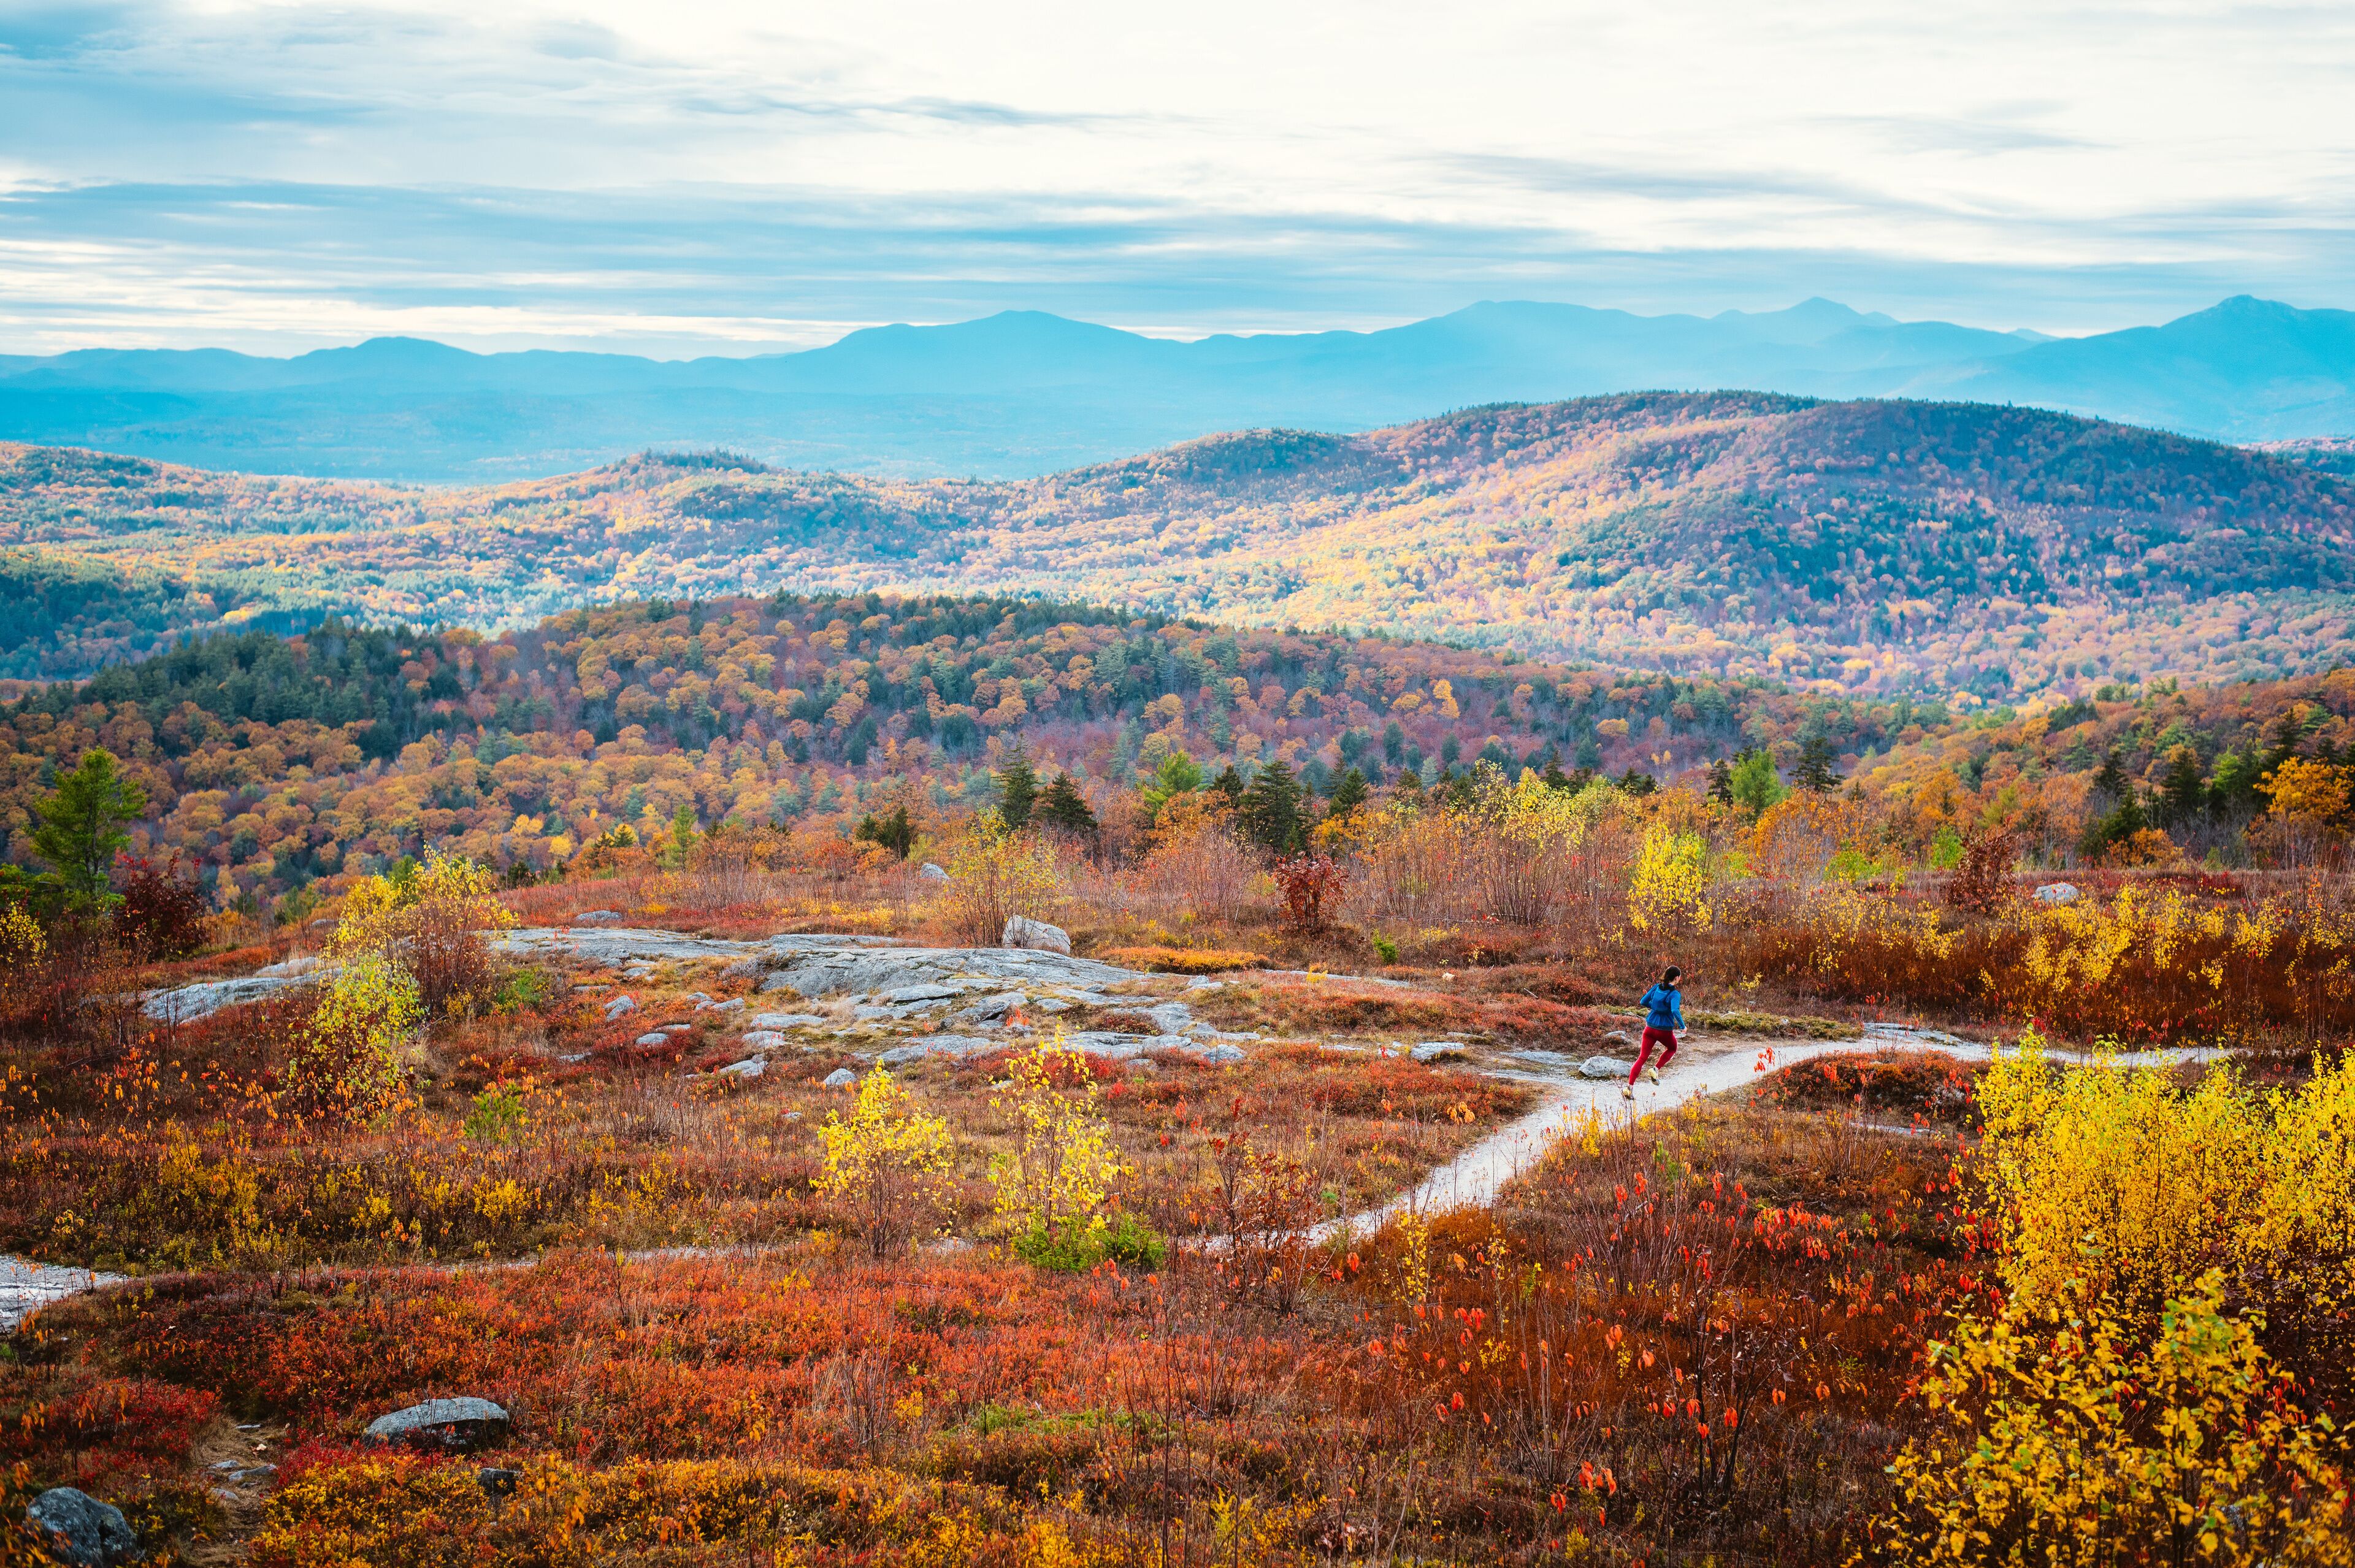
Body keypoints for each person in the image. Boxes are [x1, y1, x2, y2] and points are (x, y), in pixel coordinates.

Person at [1624, 965, 1683, 1100]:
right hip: (1664, 1031)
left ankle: (1629, 1088)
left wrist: (1656, 1007)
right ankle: (1655, 1070)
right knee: (1673, 1048)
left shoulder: (1657, 987)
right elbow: (1675, 1011)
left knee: (1642, 1058)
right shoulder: (1675, 994)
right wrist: (1682, 1026)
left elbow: (1643, 1001)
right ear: (1677, 978)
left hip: (1649, 1028)